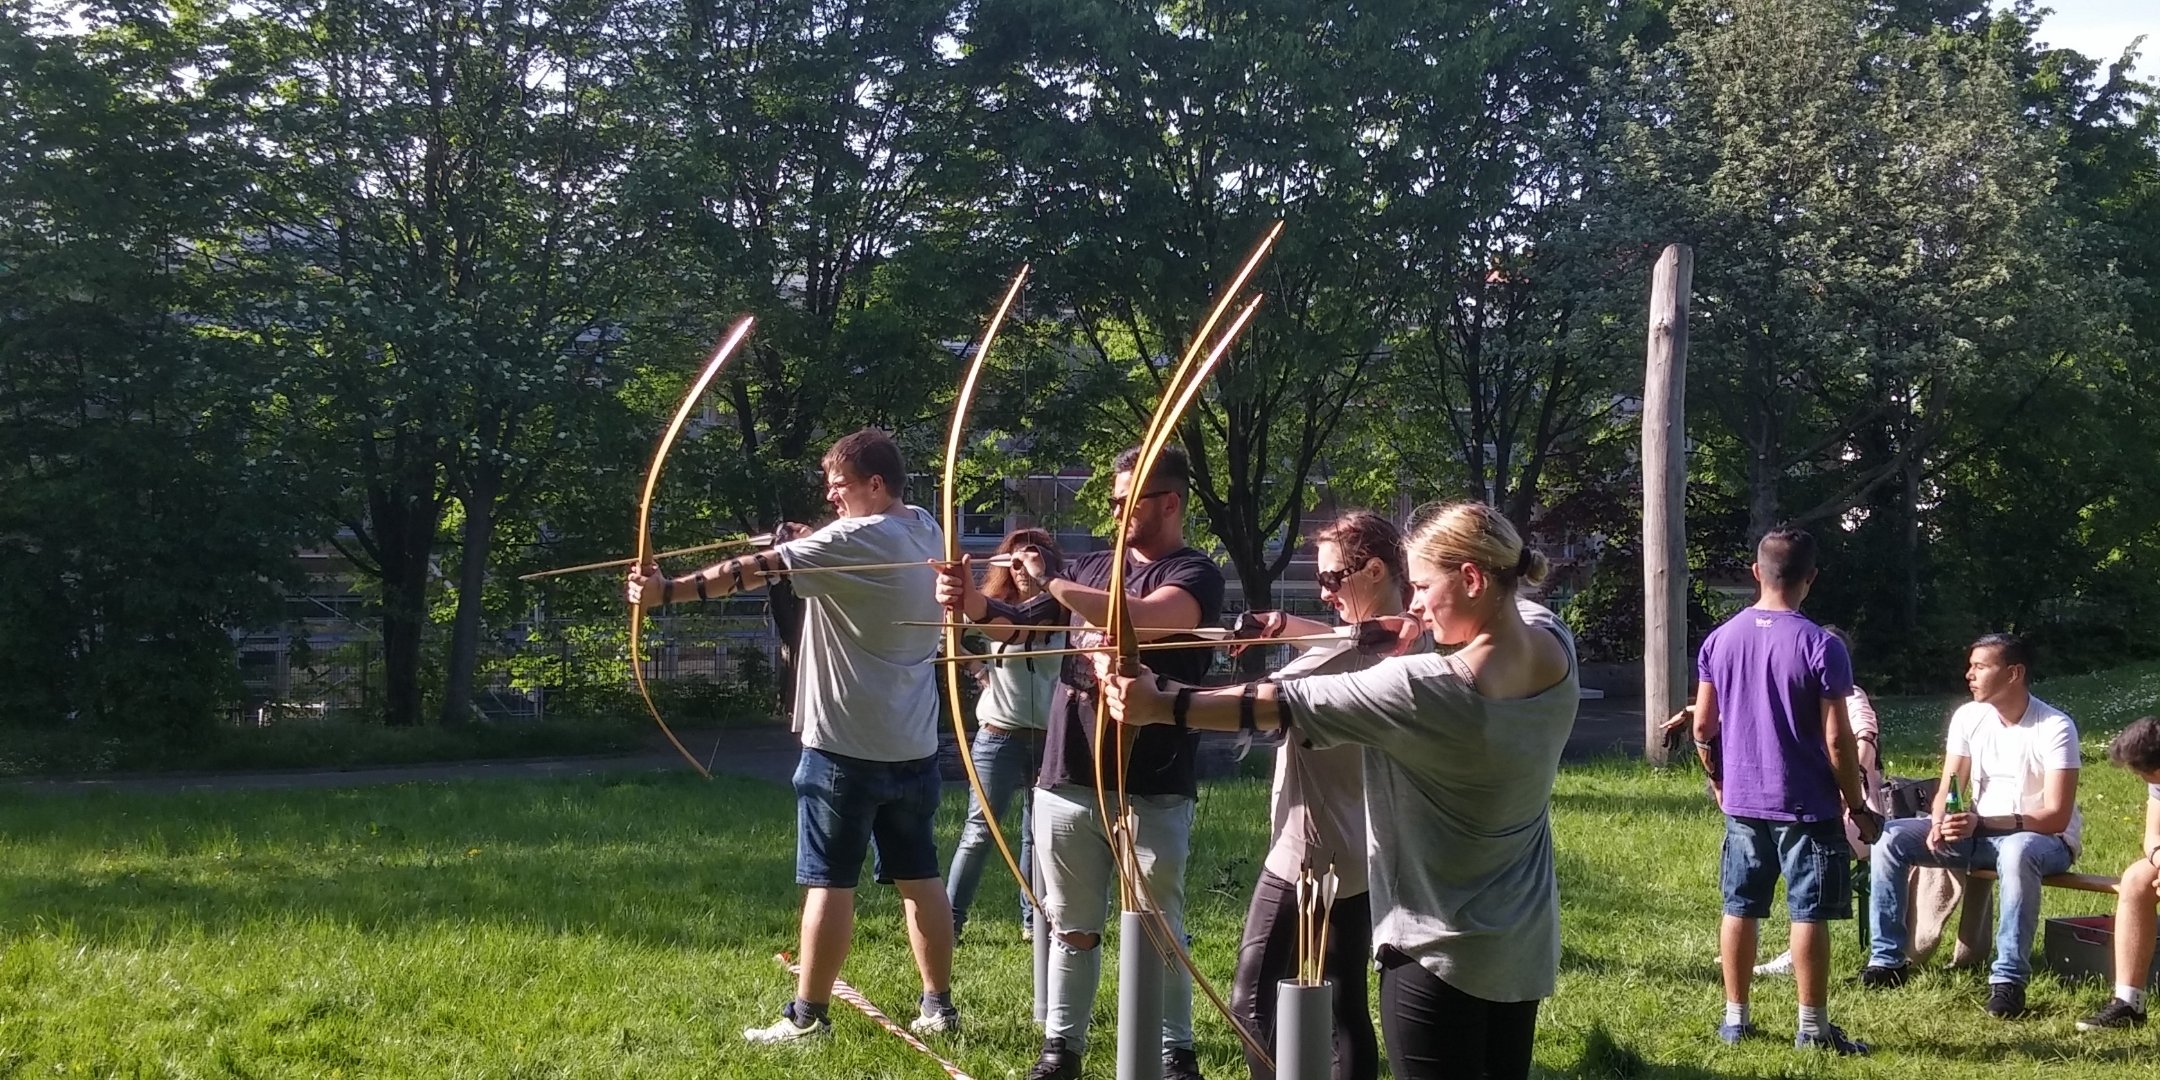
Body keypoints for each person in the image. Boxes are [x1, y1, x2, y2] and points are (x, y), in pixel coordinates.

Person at [1100, 501, 1577, 1080]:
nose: (1415, 604)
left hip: (1435, 956)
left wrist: (1159, 702)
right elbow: (1509, 611)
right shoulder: (1554, 644)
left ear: (1473, 579)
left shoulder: (1423, 689)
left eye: (1422, 587)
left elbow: (1278, 706)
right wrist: (1377, 626)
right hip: (1521, 947)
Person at [628, 428, 960, 1044]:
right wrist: (813, 538)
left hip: (843, 748)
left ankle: (808, 1018)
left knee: (829, 883)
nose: (832, 497)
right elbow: (844, 550)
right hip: (913, 746)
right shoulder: (922, 526)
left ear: (875, 484)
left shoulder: (852, 539)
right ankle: (938, 1008)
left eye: (840, 487)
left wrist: (664, 592)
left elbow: (756, 569)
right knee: (920, 877)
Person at [935, 444, 1224, 1080]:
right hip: (1068, 775)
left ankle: (1176, 1053)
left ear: (1170, 503)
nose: (1116, 512)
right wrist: (969, 601)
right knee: (1072, 925)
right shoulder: (1093, 566)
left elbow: (1144, 620)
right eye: (1114, 501)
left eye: (1128, 502)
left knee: (1160, 926)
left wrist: (1054, 583)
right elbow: (1017, 625)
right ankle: (1061, 1051)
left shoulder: (1196, 573)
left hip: (1152, 784)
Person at [1690, 527, 1881, 1055]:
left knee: (1739, 906)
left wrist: (1719, 781)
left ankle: (1735, 1020)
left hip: (1743, 802)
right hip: (1807, 804)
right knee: (1809, 912)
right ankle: (1812, 1029)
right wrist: (1857, 805)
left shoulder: (1719, 640)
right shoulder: (1822, 645)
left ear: (1757, 572)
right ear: (1810, 578)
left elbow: (1703, 726)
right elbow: (1838, 740)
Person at [1227, 511, 1400, 1080]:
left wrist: (1155, 694)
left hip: (1306, 851)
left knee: (1251, 1001)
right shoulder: (1404, 638)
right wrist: (1282, 623)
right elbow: (1347, 636)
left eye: (1331, 579)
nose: (1324, 592)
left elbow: (1252, 701)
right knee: (1345, 1006)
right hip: (1358, 849)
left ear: (1374, 571)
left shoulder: (1339, 660)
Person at [1860, 633, 2083, 1018]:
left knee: (2017, 850)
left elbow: (2057, 816)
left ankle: (2008, 981)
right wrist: (1939, 821)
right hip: (1978, 835)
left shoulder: (2055, 727)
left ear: (2013, 673)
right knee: (1891, 838)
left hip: (2044, 841)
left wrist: (1984, 822)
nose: (1969, 675)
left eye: (1980, 667)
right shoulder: (1968, 717)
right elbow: (1951, 785)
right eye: (1970, 666)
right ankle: (1887, 962)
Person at [1664, 625, 1884, 975]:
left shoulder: (1852, 698)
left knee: (1761, 899)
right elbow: (1760, 715)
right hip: (1804, 806)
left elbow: (1862, 738)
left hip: (1836, 815)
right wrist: (1694, 711)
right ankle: (1798, 997)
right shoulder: (1808, 687)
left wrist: (1852, 793)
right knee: (1770, 896)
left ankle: (1763, 980)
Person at [945, 527, 1067, 940]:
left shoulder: (1064, 612)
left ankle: (1034, 923)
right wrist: (979, 671)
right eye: (1012, 562)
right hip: (999, 736)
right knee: (980, 832)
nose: (1020, 569)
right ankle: (950, 923)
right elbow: (948, 638)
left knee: (1038, 836)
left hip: (1049, 738)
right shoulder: (991, 611)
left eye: (1029, 560)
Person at [2076, 716, 2160, 1031]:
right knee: (2136, 880)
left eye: (2142, 772)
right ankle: (2129, 1003)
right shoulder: (2157, 780)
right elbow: (2153, 836)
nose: (2141, 779)